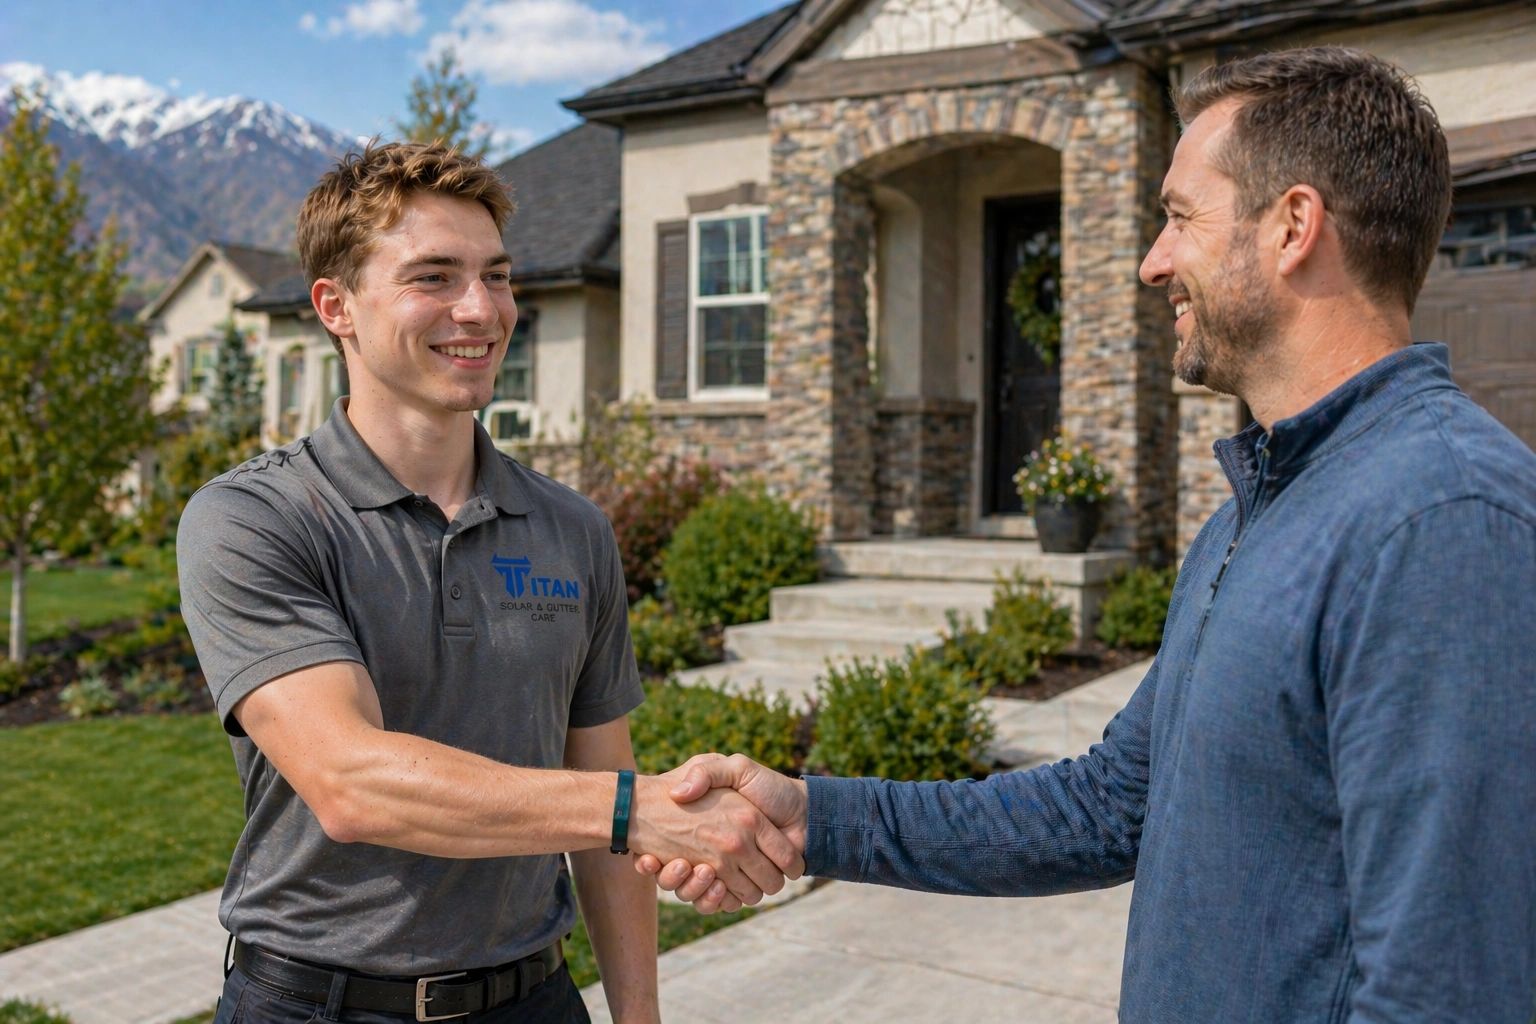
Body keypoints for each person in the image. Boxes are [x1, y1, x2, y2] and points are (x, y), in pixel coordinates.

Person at [638, 46, 1536, 1022]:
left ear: (1292, 227)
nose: (1153, 260)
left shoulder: (1439, 522)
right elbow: (1110, 803)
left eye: (1179, 216)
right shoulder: (1261, 507)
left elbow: (1449, 989)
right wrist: (817, 819)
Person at [177, 141, 800, 1024]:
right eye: (434, 277)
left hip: (533, 998)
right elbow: (353, 782)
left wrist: (640, 1017)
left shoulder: (572, 530)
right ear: (336, 307)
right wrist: (637, 811)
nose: (482, 310)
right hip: (318, 1005)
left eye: (497, 276)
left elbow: (603, 796)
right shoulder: (256, 518)